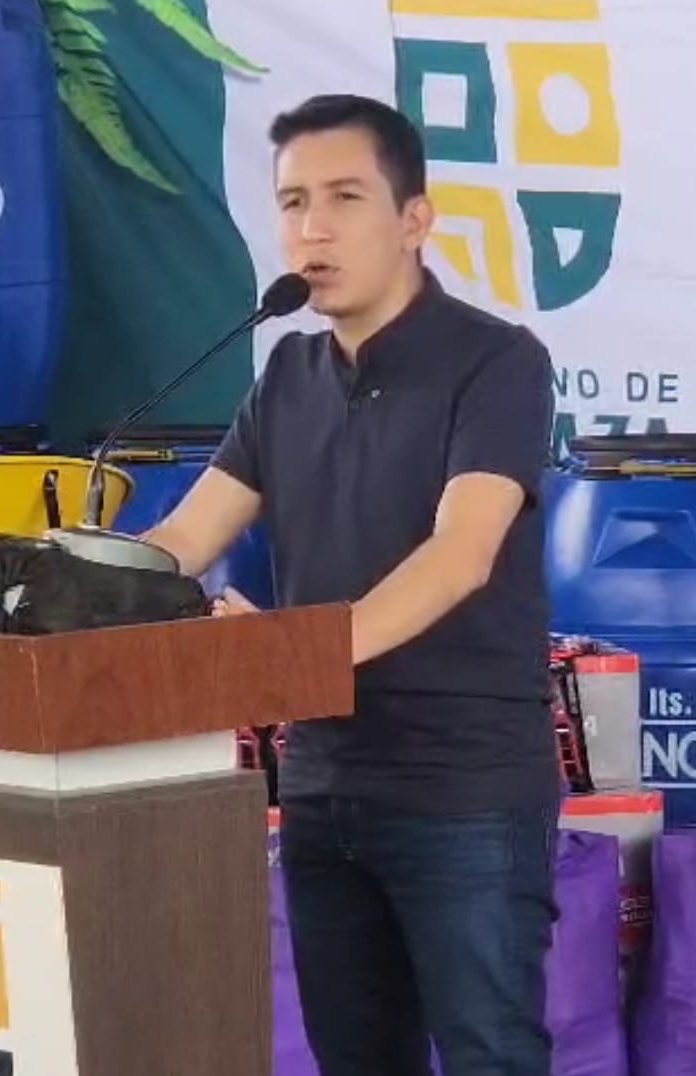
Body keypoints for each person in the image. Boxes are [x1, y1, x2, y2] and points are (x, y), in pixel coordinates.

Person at [145, 93, 559, 1076]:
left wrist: (292, 654)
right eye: (293, 202)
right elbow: (184, 537)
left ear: (415, 219)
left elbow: (462, 552)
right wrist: (66, 578)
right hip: (326, 788)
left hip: (462, 788)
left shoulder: (497, 362)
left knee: (491, 1055)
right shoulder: (287, 371)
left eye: (344, 197)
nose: (313, 228)